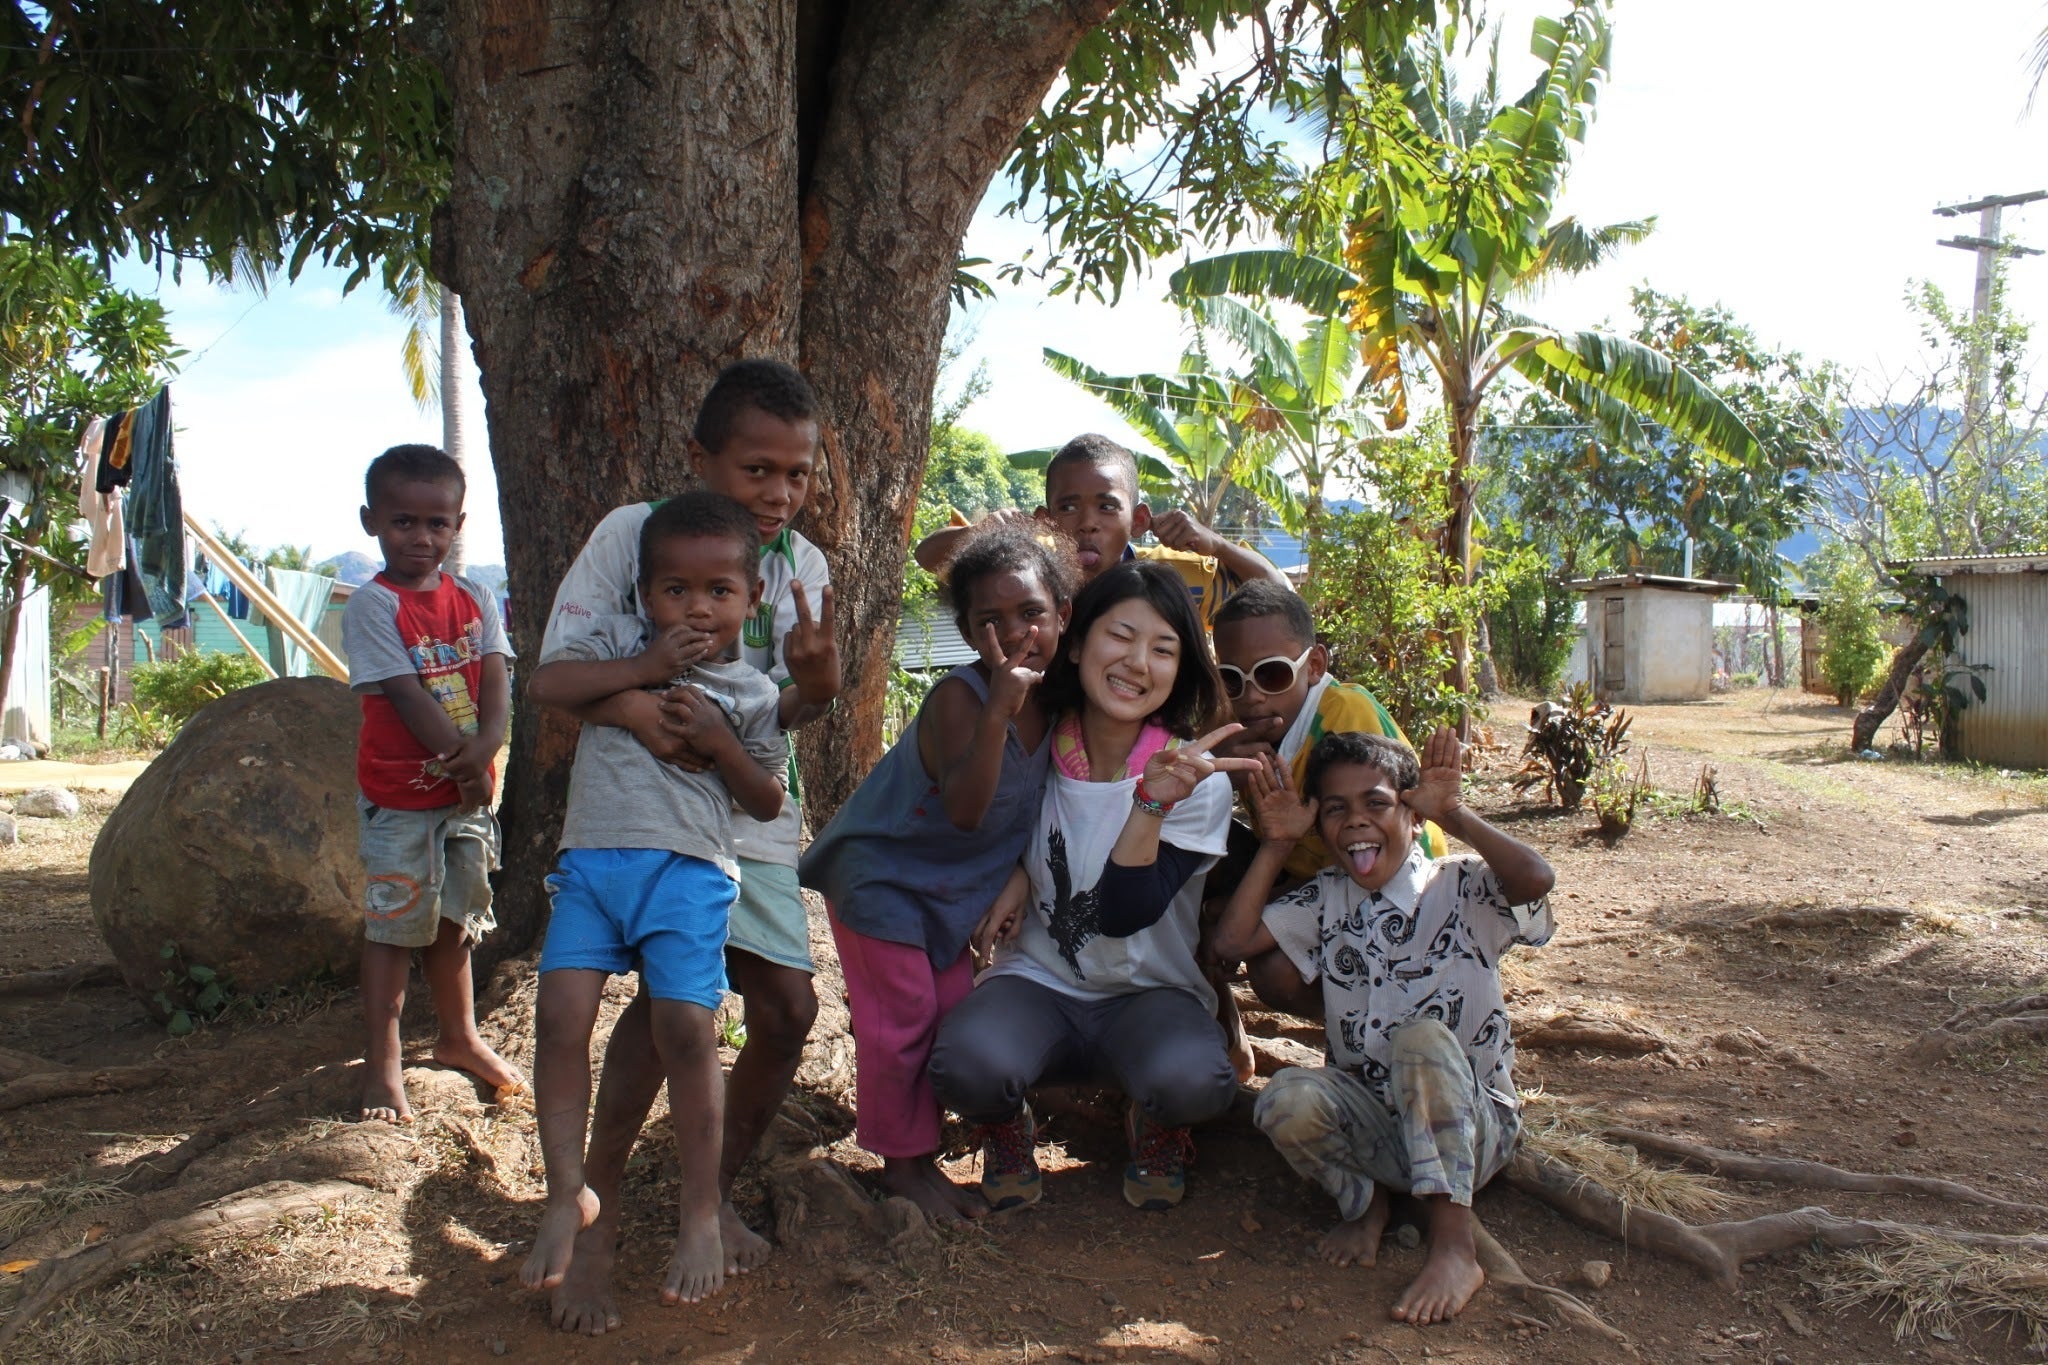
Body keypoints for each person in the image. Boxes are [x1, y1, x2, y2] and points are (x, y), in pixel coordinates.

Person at [534, 359, 839, 1336]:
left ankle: (707, 1197)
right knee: (665, 1014)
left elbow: (778, 718)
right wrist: (634, 707)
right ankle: (599, 1211)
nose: (778, 494)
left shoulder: (804, 568)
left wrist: (818, 688)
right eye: (757, 469)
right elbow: (564, 673)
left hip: (744, 811)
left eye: (797, 474)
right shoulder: (633, 534)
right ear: (701, 457)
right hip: (635, 818)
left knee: (785, 1007)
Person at [520, 491, 787, 1309]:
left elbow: (767, 798)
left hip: (689, 874)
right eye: (676, 589)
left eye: (719, 590)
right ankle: (566, 1193)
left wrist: (718, 741)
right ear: (644, 594)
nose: (697, 608)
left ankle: (700, 1212)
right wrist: (642, 673)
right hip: (593, 866)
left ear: (753, 598)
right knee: (560, 1015)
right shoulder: (616, 643)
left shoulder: (751, 691)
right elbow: (546, 682)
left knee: (687, 1029)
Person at [929, 561, 1260, 1213]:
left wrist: (1151, 803)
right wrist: (1017, 871)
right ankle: (1007, 1125)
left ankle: (1156, 1122)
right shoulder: (1036, 744)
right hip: (1037, 982)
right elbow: (987, 825)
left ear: (1180, 668)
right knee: (965, 1065)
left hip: (1149, 993)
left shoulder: (1195, 780)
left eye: (1162, 648)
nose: (1137, 663)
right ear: (1077, 643)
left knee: (1196, 1081)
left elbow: (1123, 912)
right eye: (1121, 636)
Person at [1210, 728, 1556, 1327]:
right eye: (1335, 810)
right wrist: (1276, 844)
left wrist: (1455, 813)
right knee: (1284, 1098)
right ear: (1321, 829)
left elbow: (1536, 880)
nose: (1356, 821)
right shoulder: (1327, 896)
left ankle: (1454, 1247)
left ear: (1413, 815)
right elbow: (1231, 943)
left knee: (1421, 1040)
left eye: (1376, 803)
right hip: (1375, 1128)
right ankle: (1367, 1203)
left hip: (1472, 1129)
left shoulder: (1462, 886)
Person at [799, 525, 1078, 1224]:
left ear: (1063, 615)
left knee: (956, 1016)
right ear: (967, 632)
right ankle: (904, 1166)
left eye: (1032, 613)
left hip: (947, 898)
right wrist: (997, 712)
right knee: (903, 1023)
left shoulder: (1062, 706)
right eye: (991, 620)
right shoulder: (962, 698)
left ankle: (930, 1140)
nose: (1015, 632)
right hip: (881, 880)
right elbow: (965, 809)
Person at [342, 443, 523, 1124]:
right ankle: (383, 1063)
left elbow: (497, 674)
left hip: (466, 796)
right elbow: (405, 694)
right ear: (371, 521)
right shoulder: (372, 606)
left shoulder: (474, 596)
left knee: (456, 920)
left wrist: (489, 746)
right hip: (401, 798)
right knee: (393, 928)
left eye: (436, 523)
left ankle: (459, 1036)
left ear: (458, 525)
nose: (421, 537)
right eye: (403, 522)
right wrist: (467, 761)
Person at [1206, 581, 1443, 1021]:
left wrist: (1260, 904)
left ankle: (1380, 1020)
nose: (1252, 695)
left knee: (1267, 964)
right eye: (1231, 680)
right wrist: (1221, 775)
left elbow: (1370, 853)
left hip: (1388, 885)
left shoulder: (1344, 716)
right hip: (1315, 877)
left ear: (1314, 665)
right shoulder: (1249, 730)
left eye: (1272, 674)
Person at [914, 433, 1288, 624]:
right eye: (1068, 507)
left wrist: (1216, 545)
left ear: (1138, 521)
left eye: (1107, 507)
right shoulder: (1031, 579)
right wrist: (984, 532)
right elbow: (927, 556)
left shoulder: (1175, 578)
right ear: (1047, 520)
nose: (1087, 524)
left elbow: (1279, 594)